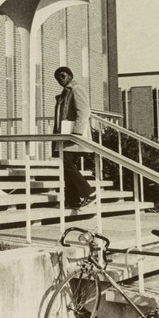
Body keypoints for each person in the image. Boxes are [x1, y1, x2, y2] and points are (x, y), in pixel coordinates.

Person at [53, 66, 96, 210]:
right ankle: (73, 200)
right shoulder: (64, 93)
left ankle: (89, 193)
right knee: (65, 167)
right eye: (58, 77)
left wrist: (76, 134)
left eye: (63, 75)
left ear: (70, 76)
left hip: (72, 136)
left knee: (66, 163)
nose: (60, 79)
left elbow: (83, 111)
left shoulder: (76, 89)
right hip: (64, 136)